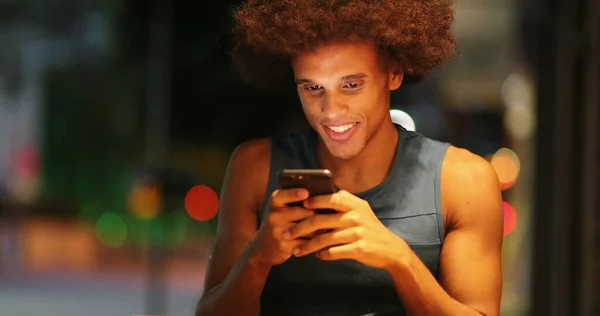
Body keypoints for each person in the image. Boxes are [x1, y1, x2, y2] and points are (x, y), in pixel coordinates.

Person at [195, 1, 503, 315]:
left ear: (393, 74)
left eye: (351, 85)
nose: (330, 109)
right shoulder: (255, 168)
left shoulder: (464, 182)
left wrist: (401, 261)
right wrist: (258, 258)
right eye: (313, 87)